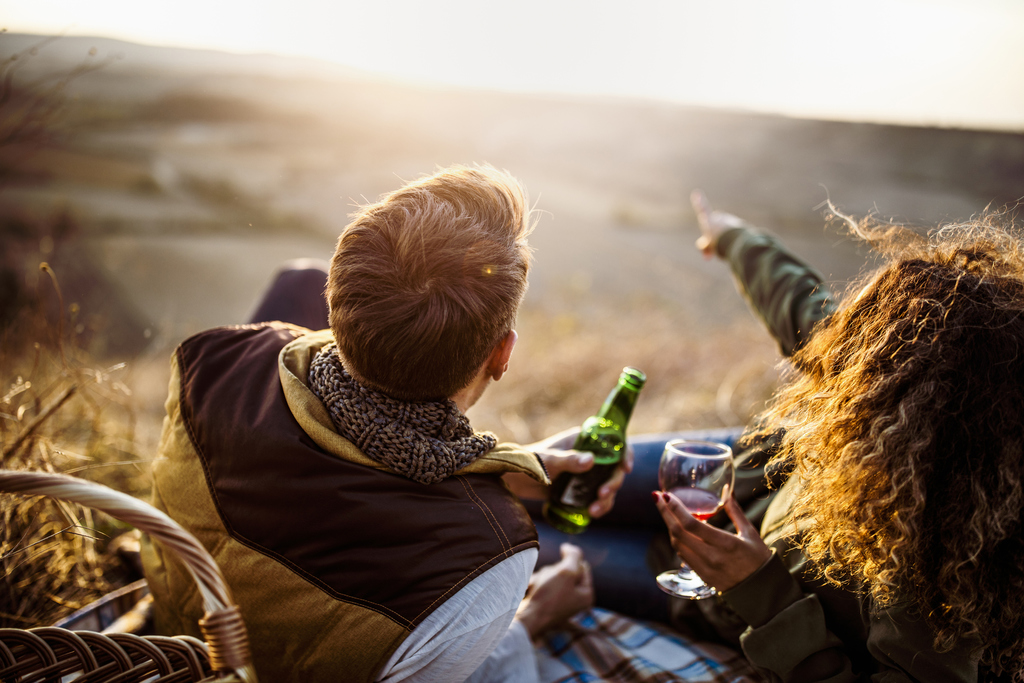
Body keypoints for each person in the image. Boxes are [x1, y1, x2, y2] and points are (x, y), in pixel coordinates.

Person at [140, 164, 627, 683]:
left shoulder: (212, 358)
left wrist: (497, 470)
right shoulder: (492, 554)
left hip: (174, 639)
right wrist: (533, 620)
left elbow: (336, 462)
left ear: (335, 304)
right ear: (502, 355)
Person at [653, 192, 1024, 682]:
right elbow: (805, 308)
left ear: (920, 411)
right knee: (549, 471)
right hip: (739, 482)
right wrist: (733, 236)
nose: (851, 370)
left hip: (709, 594)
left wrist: (760, 592)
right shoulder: (897, 372)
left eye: (870, 366)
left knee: (542, 541)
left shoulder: (947, 580)